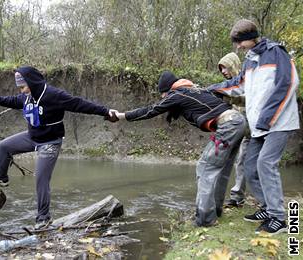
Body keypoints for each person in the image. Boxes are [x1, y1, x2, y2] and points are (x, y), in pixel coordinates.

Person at [0, 66, 118, 228]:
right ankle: (1, 177)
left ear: (32, 83)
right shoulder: (26, 97)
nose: (22, 91)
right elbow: (12, 101)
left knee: (41, 178)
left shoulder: (54, 95)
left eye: (23, 87)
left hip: (50, 143)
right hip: (32, 137)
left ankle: (43, 218)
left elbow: (80, 104)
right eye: (20, 88)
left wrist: (105, 112)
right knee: (5, 146)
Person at [115, 71, 246, 227]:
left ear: (168, 89)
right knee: (221, 169)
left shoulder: (177, 94)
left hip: (229, 125)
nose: (163, 98)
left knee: (205, 167)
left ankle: (205, 219)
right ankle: (215, 210)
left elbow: (151, 110)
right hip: (238, 122)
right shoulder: (193, 90)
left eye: (163, 94)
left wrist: (121, 116)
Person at [208, 19, 300, 234]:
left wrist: (268, 117)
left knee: (266, 164)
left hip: (278, 122)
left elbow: (288, 84)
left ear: (250, 38)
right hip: (259, 125)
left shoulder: (276, 52)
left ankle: (280, 219)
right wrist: (209, 89)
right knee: (250, 167)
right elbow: (237, 85)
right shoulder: (250, 60)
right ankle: (267, 207)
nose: (238, 47)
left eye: (240, 43)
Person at [218, 52, 249, 208]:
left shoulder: (247, 80)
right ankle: (225, 197)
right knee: (228, 159)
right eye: (221, 69)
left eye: (225, 68)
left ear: (233, 65)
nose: (223, 72)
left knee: (243, 161)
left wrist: (232, 98)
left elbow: (251, 100)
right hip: (236, 129)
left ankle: (237, 198)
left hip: (252, 130)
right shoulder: (229, 85)